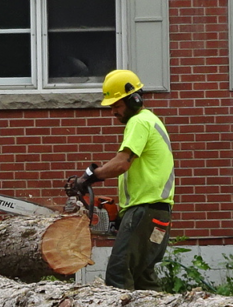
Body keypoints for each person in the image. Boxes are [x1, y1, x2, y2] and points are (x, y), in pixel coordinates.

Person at [69, 69, 175, 290]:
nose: (113, 112)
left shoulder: (139, 122)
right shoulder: (152, 121)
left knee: (119, 274)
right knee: (141, 277)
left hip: (144, 211)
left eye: (117, 105)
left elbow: (121, 163)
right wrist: (123, 210)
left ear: (134, 99)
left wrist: (88, 177)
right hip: (157, 213)